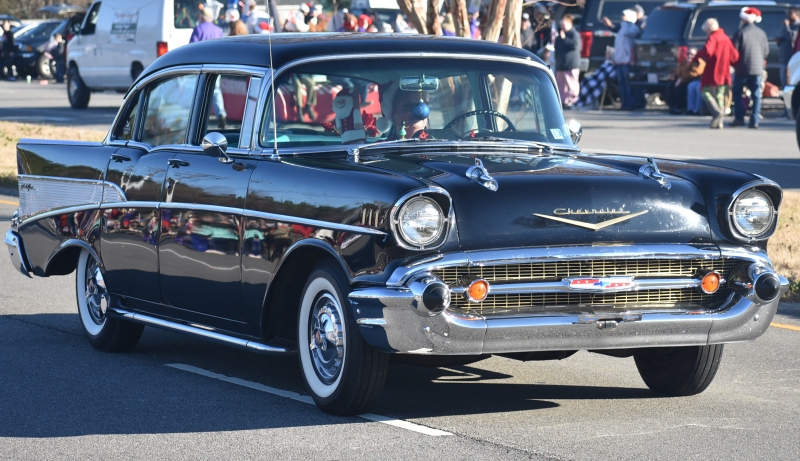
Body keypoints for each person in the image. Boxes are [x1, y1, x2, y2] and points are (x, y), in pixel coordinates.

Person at [695, 18, 739, 129]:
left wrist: (697, 57)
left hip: (712, 70)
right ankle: (720, 121)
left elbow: (707, 50)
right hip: (724, 71)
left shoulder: (713, 38)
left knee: (704, 91)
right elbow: (735, 56)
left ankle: (716, 112)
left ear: (710, 29)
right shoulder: (726, 38)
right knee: (720, 94)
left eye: (706, 31)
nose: (706, 33)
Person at [731, 7, 769, 128]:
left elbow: (734, 52)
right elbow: (766, 51)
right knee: (756, 95)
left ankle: (739, 118)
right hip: (757, 69)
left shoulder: (740, 32)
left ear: (743, 19)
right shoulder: (761, 33)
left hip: (742, 68)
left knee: (737, 93)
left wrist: (734, 64)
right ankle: (754, 120)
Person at [613, 10, 639, 110]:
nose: (623, 17)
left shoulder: (633, 28)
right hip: (619, 61)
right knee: (622, 84)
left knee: (628, 84)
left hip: (627, 61)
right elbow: (618, 45)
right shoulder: (622, 28)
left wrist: (626, 23)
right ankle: (624, 103)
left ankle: (630, 103)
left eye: (625, 15)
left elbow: (628, 33)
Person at [555, 14, 582, 108]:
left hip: (570, 65)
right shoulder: (560, 35)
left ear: (569, 24)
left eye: (564, 25)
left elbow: (575, 46)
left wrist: (564, 39)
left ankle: (573, 100)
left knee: (571, 84)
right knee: (561, 85)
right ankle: (563, 101)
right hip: (561, 65)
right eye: (561, 25)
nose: (562, 27)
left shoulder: (574, 34)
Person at [778, 8, 800, 90]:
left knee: (791, 82)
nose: (787, 15)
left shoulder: (797, 26)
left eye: (790, 13)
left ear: (797, 15)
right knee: (784, 81)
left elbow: (792, 37)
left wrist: (786, 26)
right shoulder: (788, 25)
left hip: (792, 58)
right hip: (784, 58)